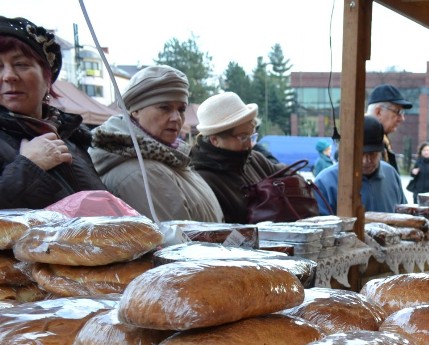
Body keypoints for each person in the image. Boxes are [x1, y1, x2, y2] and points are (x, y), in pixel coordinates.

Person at [89, 65, 223, 223]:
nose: (176, 118)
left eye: (181, 109)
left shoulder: (171, 158)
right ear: (135, 111)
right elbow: (175, 243)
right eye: (164, 108)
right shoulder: (141, 174)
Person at [0, 16, 108, 209]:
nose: (8, 76)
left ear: (47, 78)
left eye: (21, 64)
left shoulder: (72, 138)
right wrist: (28, 167)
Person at [189, 92, 282, 223]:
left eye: (252, 137)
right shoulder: (201, 178)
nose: (250, 145)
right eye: (242, 137)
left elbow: (286, 174)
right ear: (215, 140)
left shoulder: (255, 159)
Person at [314, 116, 405, 215]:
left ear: (381, 152)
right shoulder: (325, 182)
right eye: (360, 154)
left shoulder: (391, 174)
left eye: (373, 153)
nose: (366, 161)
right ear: (347, 151)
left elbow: (404, 216)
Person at [365, 83, 412, 172]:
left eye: (403, 113)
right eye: (398, 112)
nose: (402, 118)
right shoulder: (357, 140)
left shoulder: (380, 139)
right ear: (378, 112)